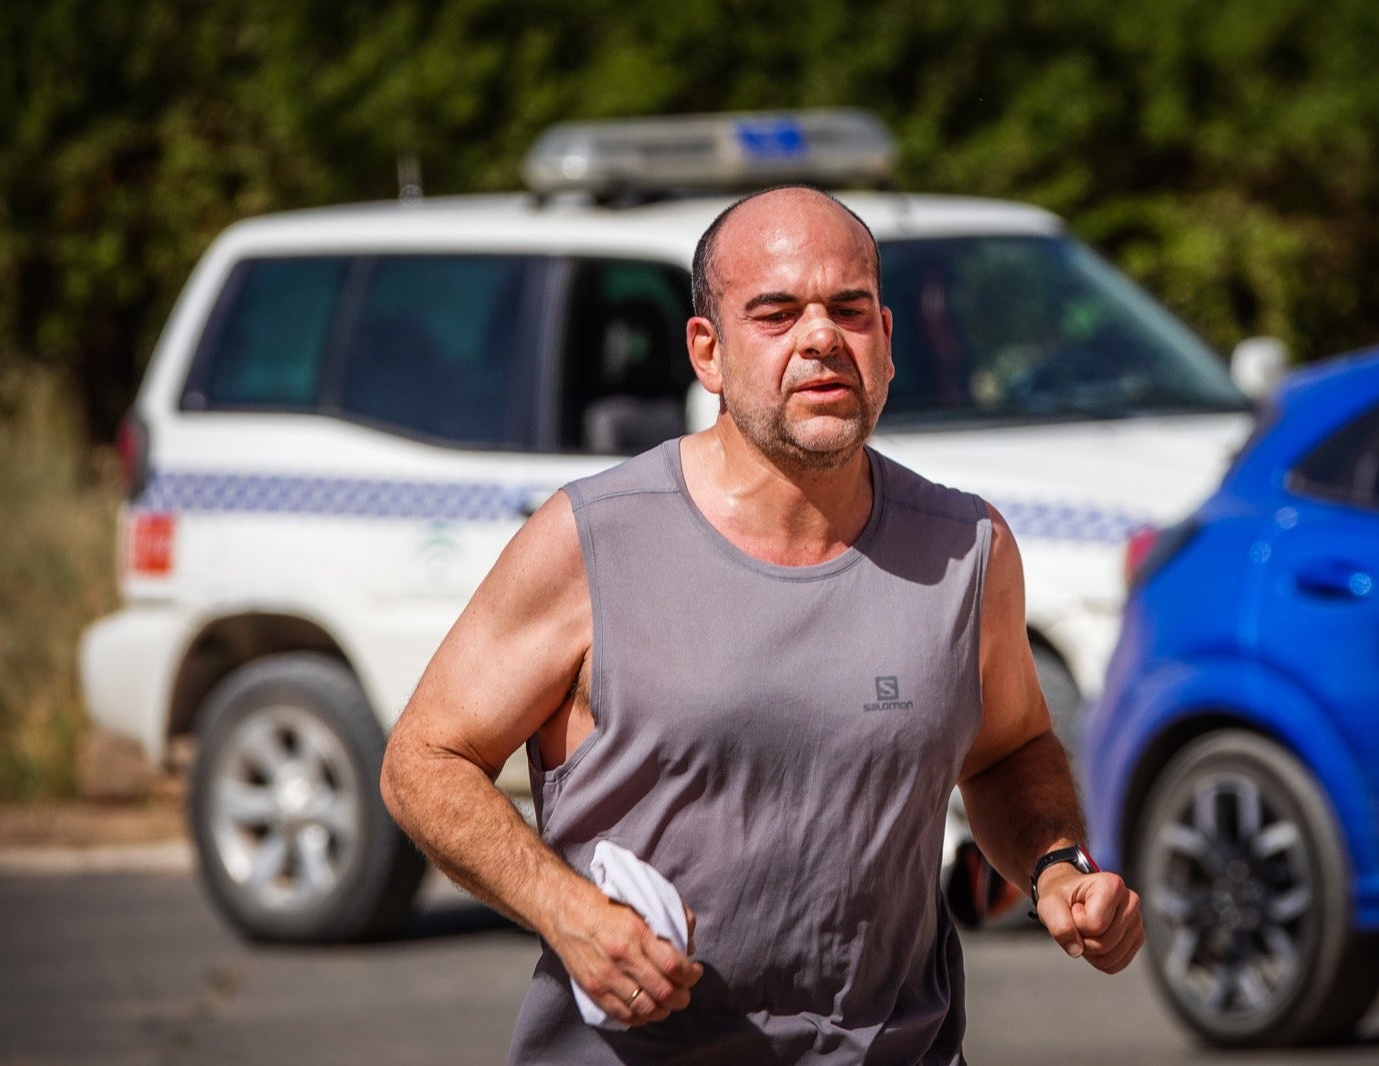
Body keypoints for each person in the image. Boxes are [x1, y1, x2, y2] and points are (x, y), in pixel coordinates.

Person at [380, 185, 1143, 1062]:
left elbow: (1009, 750)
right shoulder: (592, 539)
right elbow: (423, 760)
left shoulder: (966, 548)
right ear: (707, 351)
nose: (821, 338)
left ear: (887, 342)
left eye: (849, 310)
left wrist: (1057, 870)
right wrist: (568, 912)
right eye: (776, 314)